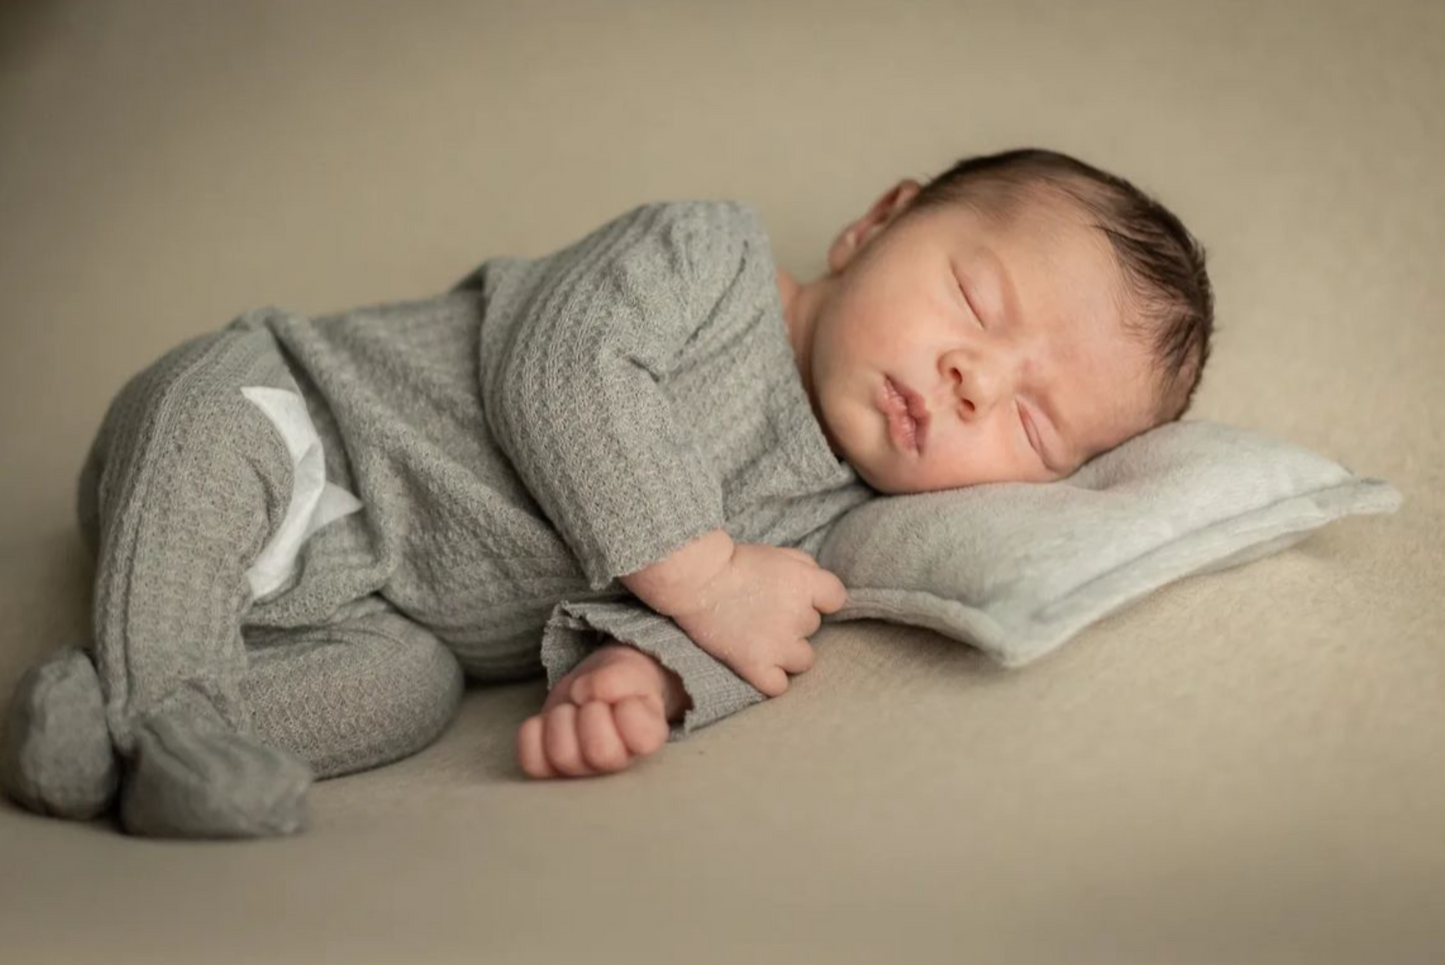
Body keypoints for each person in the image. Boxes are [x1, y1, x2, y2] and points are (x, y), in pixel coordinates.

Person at [0, 148, 1213, 837]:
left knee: (412, 695)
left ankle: (91, 721)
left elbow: (746, 631)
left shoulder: (821, 520)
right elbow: (559, 367)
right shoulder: (705, 254)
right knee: (211, 415)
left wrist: (644, 670)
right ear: (874, 224)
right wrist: (701, 574)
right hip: (295, 415)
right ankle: (164, 710)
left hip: (384, 605)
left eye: (1027, 417)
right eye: (974, 300)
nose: (967, 378)